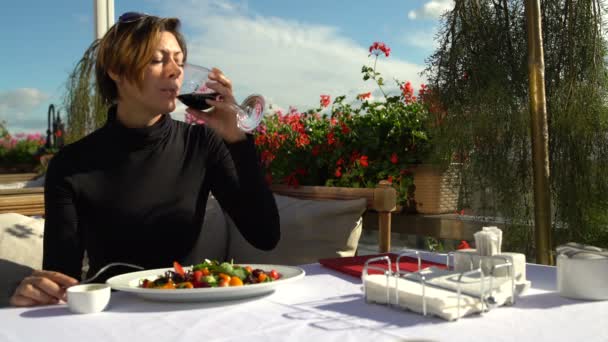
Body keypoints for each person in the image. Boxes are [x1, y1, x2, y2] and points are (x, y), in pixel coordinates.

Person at [9, 13, 280, 307]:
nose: (175, 71)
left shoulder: (201, 144)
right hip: (111, 315)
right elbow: (63, 279)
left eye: (179, 60)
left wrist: (237, 139)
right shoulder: (71, 164)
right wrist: (40, 291)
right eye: (157, 59)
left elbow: (265, 236)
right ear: (116, 70)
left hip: (188, 310)